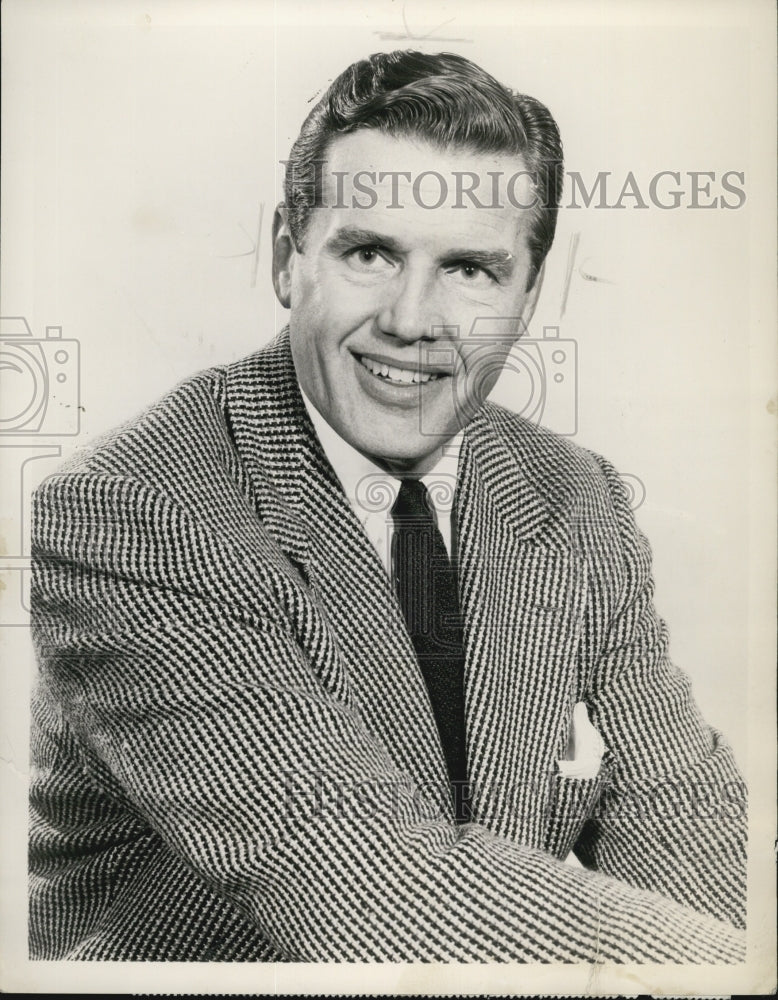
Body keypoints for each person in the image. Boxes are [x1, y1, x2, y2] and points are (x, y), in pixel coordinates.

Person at [28, 50, 746, 963]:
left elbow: (679, 808)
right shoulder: (133, 513)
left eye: (472, 270)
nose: (412, 318)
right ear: (290, 259)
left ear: (529, 293)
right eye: (370, 253)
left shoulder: (574, 500)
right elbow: (359, 874)